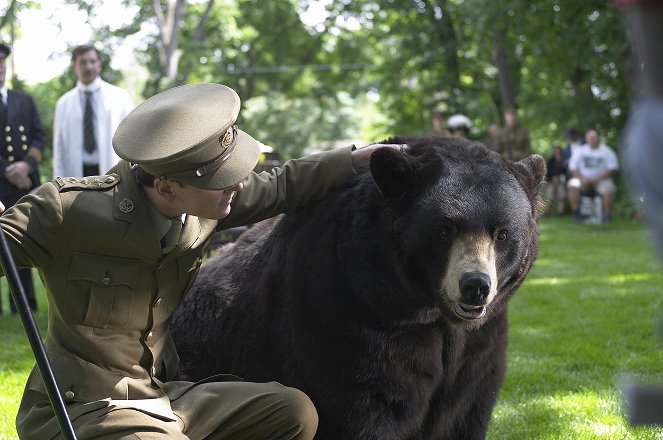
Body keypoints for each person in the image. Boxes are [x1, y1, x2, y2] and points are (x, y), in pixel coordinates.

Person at [2, 83, 399, 439]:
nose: (239, 186)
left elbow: (280, 186)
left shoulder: (207, 203)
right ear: (166, 187)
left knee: (294, 412)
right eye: (223, 181)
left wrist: (355, 160)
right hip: (82, 407)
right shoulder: (67, 209)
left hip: (162, 396)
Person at [0, 42, 46, 313]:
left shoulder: (24, 100)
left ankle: (25, 304)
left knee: (24, 241)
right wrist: (10, 169)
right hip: (3, 182)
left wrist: (27, 166)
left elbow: (39, 136)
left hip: (24, 183)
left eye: (2, 62)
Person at [53, 43, 134, 178]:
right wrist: (58, 181)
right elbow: (59, 147)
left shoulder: (120, 97)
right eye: (83, 62)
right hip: (77, 175)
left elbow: (132, 137)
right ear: (74, 67)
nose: (88, 67)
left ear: (99, 65)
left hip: (113, 171)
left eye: (92, 61)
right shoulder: (63, 103)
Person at [567, 129, 619, 223]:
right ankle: (576, 213)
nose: (592, 139)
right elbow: (573, 167)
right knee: (572, 185)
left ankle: (607, 215)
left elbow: (613, 168)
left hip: (601, 180)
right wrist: (582, 178)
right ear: (586, 139)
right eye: (590, 137)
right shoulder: (580, 150)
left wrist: (598, 178)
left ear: (598, 138)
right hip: (583, 179)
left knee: (609, 188)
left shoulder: (606, 151)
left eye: (594, 137)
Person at [544, 145, 568, 215]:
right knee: (549, 197)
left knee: (561, 197)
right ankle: (546, 212)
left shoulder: (564, 159)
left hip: (561, 181)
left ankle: (560, 213)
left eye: (558, 150)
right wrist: (547, 180)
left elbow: (565, 171)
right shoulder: (551, 160)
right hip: (552, 181)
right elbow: (547, 171)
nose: (557, 152)